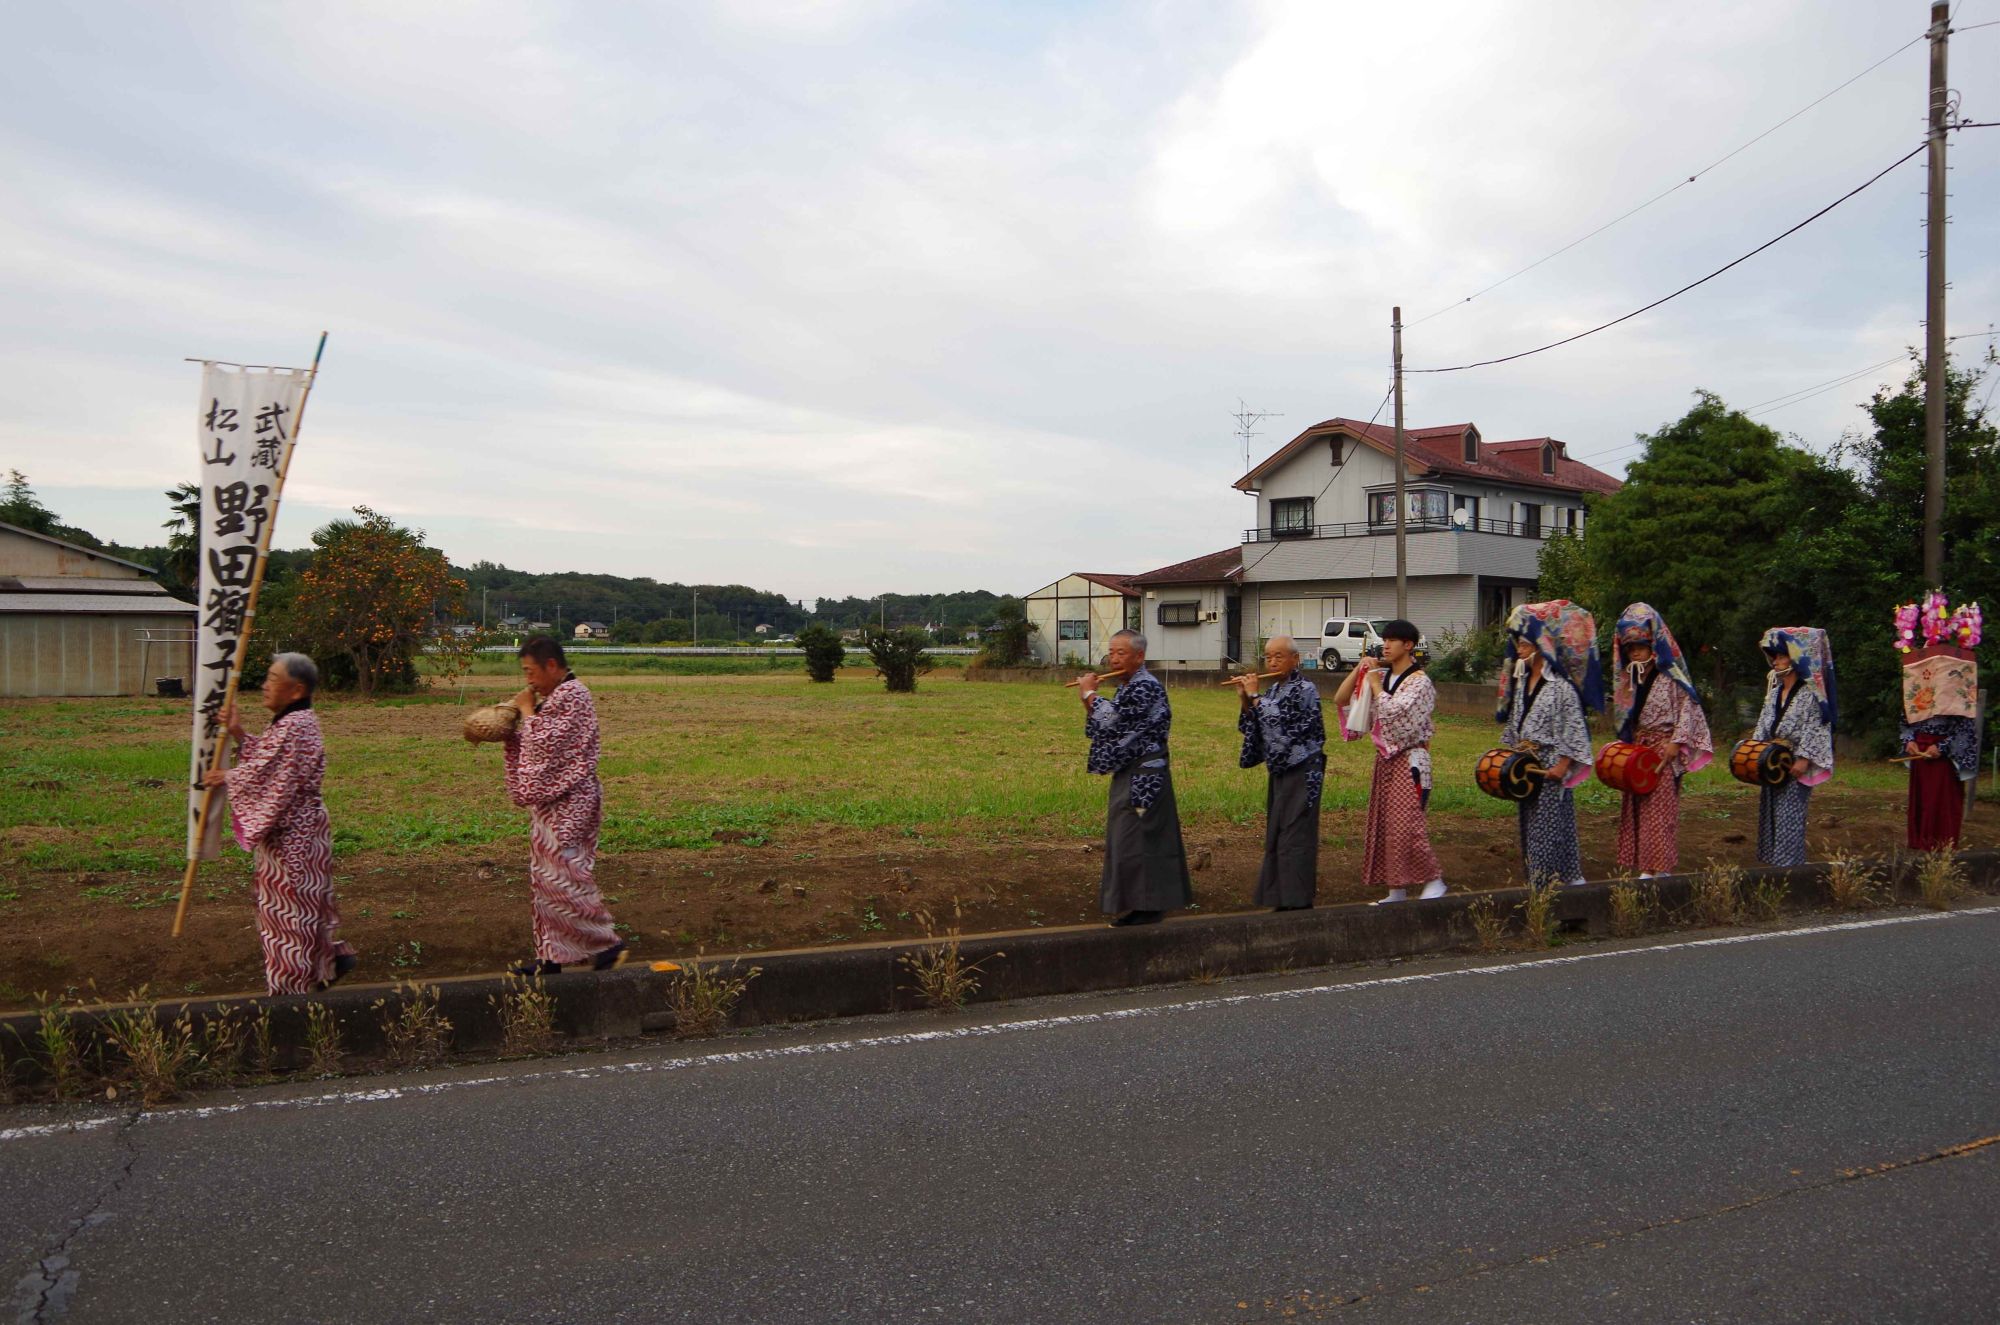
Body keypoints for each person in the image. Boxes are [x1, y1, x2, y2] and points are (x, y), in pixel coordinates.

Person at [201, 652, 356, 995]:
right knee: (304, 907)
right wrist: (239, 733)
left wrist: (228, 776)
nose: (264, 685)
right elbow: (270, 761)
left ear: (296, 690)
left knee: (288, 917)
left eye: (272, 679)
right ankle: (326, 963)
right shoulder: (293, 723)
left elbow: (272, 774)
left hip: (294, 836)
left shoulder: (295, 724)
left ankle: (291, 992)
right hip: (300, 831)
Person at [504, 636, 624, 973]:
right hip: (553, 804)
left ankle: (607, 945)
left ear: (552, 666)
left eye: (530, 671)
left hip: (572, 803)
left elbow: (546, 744)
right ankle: (550, 958)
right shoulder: (556, 698)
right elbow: (537, 740)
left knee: (566, 877)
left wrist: (527, 711)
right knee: (545, 880)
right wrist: (513, 730)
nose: (528, 679)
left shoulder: (573, 695)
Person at [1077, 630, 1192, 926]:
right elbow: (1105, 726)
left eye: (1121, 653)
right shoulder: (1128, 687)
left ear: (1139, 656)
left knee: (1140, 839)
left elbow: (1114, 722)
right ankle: (1137, 904)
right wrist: (1090, 701)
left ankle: (1149, 907)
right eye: (1111, 653)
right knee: (1127, 839)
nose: (1114, 659)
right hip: (1132, 772)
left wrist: (1090, 694)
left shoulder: (1145, 687)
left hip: (1146, 778)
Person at [1332, 620, 1445, 904]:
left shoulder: (1420, 682)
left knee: (1408, 824)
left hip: (1411, 759)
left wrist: (1373, 684)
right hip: (1385, 761)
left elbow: (1398, 718)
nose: (1386, 645)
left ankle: (1434, 880)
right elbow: (1341, 699)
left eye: (1393, 640)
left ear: (1408, 645)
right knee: (1386, 826)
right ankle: (1396, 889)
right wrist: (1360, 671)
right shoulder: (1382, 678)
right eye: (1385, 640)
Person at [1496, 600, 1600, 889]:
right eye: (1518, 644)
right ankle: (1563, 877)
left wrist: (1563, 765)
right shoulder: (1522, 683)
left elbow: (1573, 729)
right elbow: (1515, 723)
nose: (1519, 650)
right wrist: (1510, 756)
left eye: (1524, 644)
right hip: (1526, 765)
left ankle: (1543, 886)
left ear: (1542, 647)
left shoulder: (1562, 688)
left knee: (1548, 827)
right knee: (1532, 824)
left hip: (1550, 762)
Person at [1610, 604, 1714, 878]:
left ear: (1653, 648)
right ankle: (1645, 867)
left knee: (1659, 810)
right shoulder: (1630, 681)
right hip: (1638, 749)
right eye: (1631, 648)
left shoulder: (1670, 677)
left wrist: (1676, 743)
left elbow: (1688, 709)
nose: (1635, 652)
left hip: (1664, 748)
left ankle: (1660, 869)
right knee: (1637, 809)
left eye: (1641, 647)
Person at [1233, 635, 1324, 911]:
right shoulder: (1272, 690)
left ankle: (1298, 899)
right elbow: (1255, 727)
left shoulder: (1305, 689)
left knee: (1296, 834)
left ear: (1295, 659)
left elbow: (1282, 728)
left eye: (1278, 656)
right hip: (1281, 769)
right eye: (1268, 657)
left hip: (1303, 768)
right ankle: (1281, 896)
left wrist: (1255, 698)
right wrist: (1245, 700)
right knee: (1278, 831)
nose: (1272, 662)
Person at [1895, 596, 1979, 850]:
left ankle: (1941, 851)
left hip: (1943, 756)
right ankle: (1919, 844)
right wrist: (1909, 740)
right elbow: (1906, 719)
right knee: (1922, 802)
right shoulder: (1919, 687)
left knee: (1940, 804)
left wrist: (1942, 747)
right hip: (1921, 750)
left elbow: (1965, 729)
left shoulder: (1958, 683)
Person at [1751, 626, 1836, 868]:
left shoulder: (1810, 694)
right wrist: (1755, 751)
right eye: (1774, 657)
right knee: (1771, 816)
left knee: (1789, 816)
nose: (1775, 661)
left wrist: (1804, 758)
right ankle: (1773, 867)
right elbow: (1763, 724)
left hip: (1794, 762)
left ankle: (1789, 869)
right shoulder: (1774, 692)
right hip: (1772, 762)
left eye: (1781, 656)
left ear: (1796, 659)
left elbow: (1816, 725)